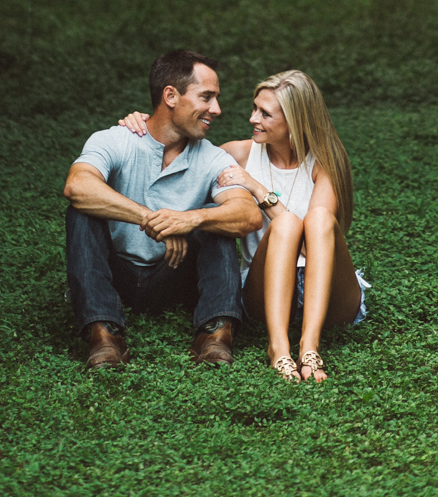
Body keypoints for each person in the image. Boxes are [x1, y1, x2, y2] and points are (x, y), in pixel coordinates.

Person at [119, 68, 369, 383]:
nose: (252, 118)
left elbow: (312, 245)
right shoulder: (237, 154)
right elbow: (175, 152)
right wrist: (144, 122)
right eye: (255, 108)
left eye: (265, 114)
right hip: (265, 287)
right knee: (288, 223)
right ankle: (279, 348)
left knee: (317, 219)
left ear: (295, 121)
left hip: (327, 289)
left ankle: (309, 346)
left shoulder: (323, 164)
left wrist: (258, 189)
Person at [63, 49, 261, 369]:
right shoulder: (116, 140)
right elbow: (78, 186)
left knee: (221, 219)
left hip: (175, 274)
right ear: (171, 95)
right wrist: (154, 221)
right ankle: (104, 334)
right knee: (81, 211)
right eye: (206, 97)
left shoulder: (212, 158)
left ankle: (216, 333)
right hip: (115, 274)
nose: (217, 109)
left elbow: (249, 215)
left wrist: (191, 219)